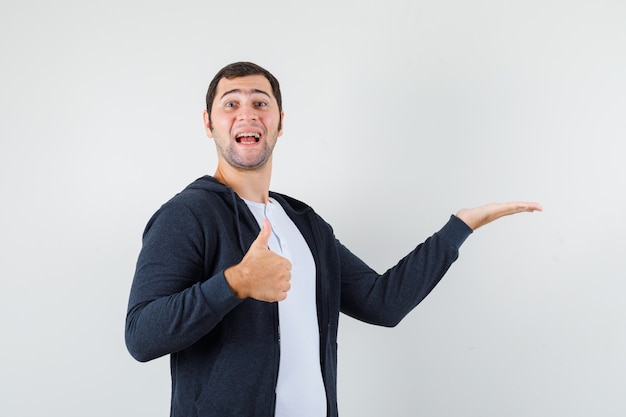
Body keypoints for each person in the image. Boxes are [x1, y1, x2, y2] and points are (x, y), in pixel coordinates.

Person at [125, 61, 542, 417]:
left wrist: (459, 227)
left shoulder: (305, 225)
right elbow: (141, 335)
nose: (247, 114)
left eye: (260, 103)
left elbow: (383, 302)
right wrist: (233, 283)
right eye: (230, 103)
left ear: (280, 122)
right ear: (208, 122)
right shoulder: (188, 214)